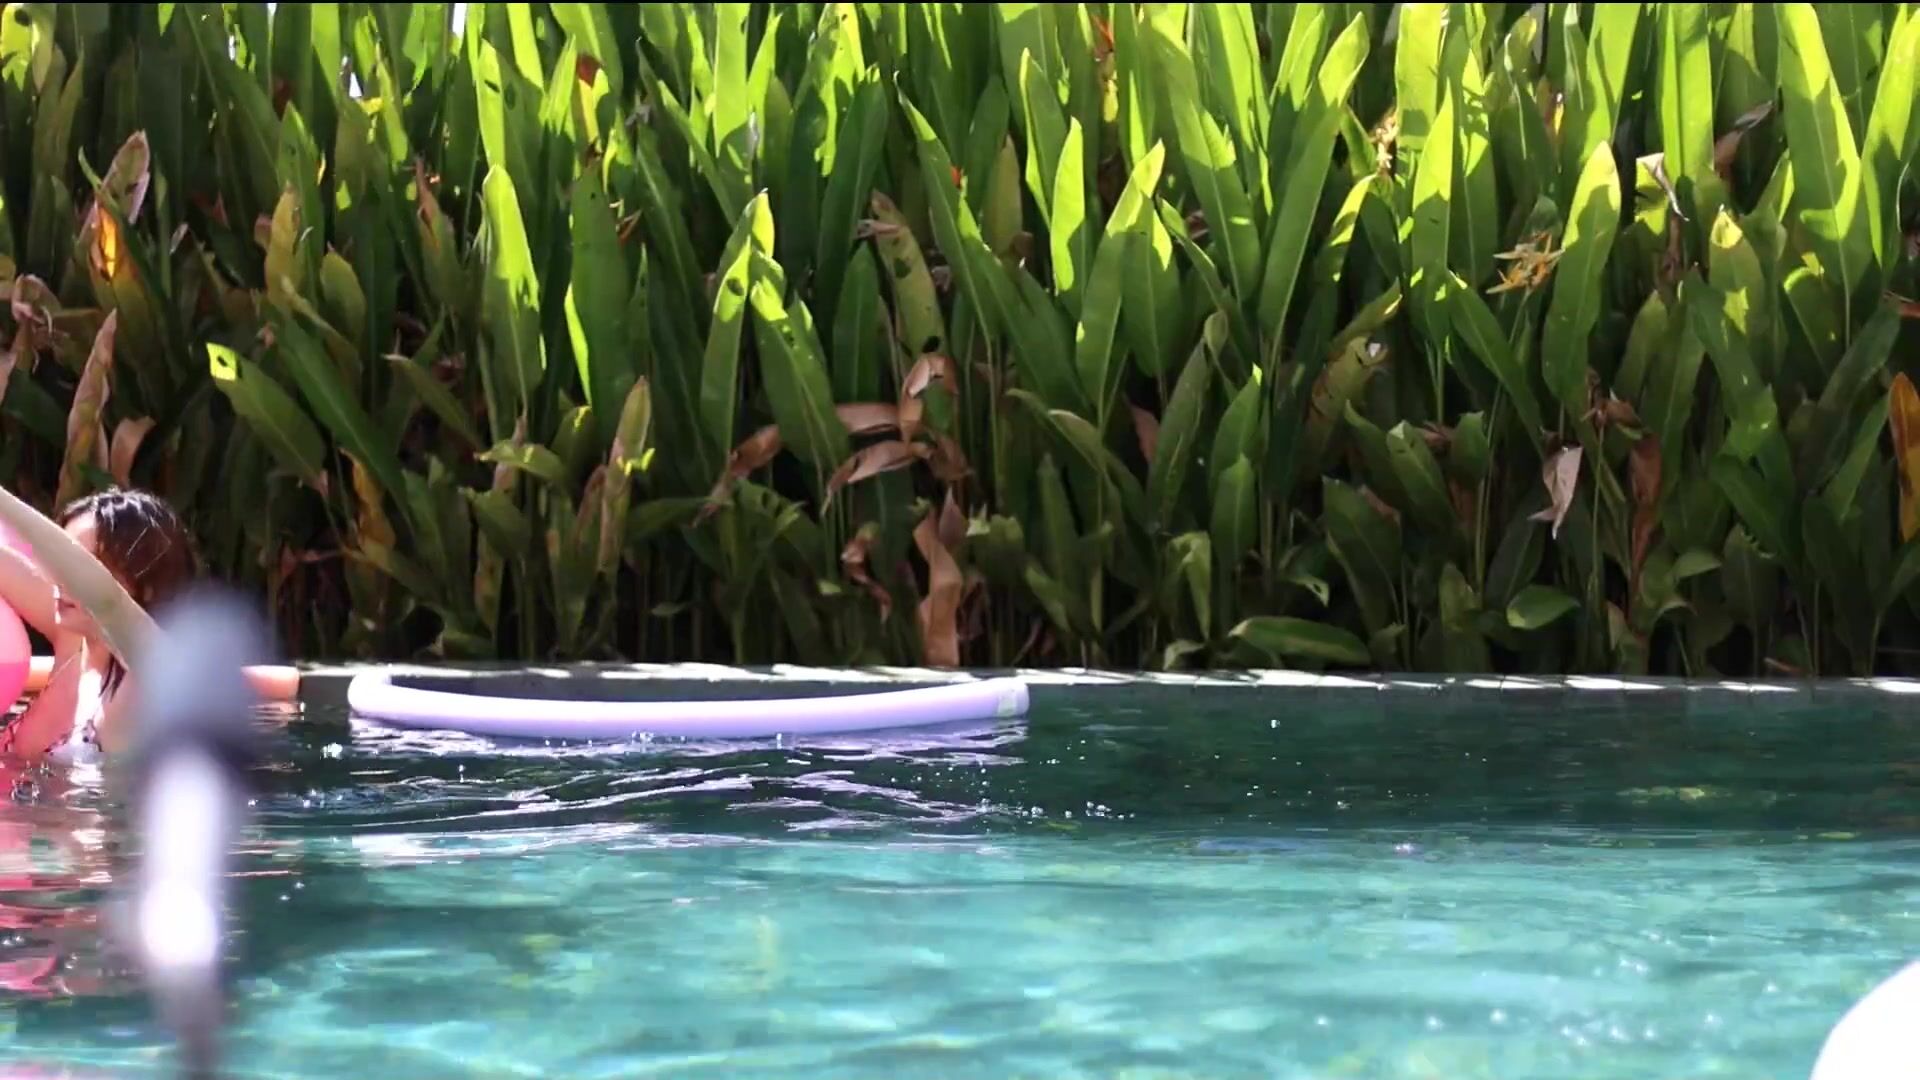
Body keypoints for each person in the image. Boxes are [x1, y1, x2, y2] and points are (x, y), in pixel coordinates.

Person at [0, 488, 196, 762]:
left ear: (147, 586)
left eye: (79, 567)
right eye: (59, 560)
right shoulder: (72, 642)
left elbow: (110, 604)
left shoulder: (150, 678)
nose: (60, 577)